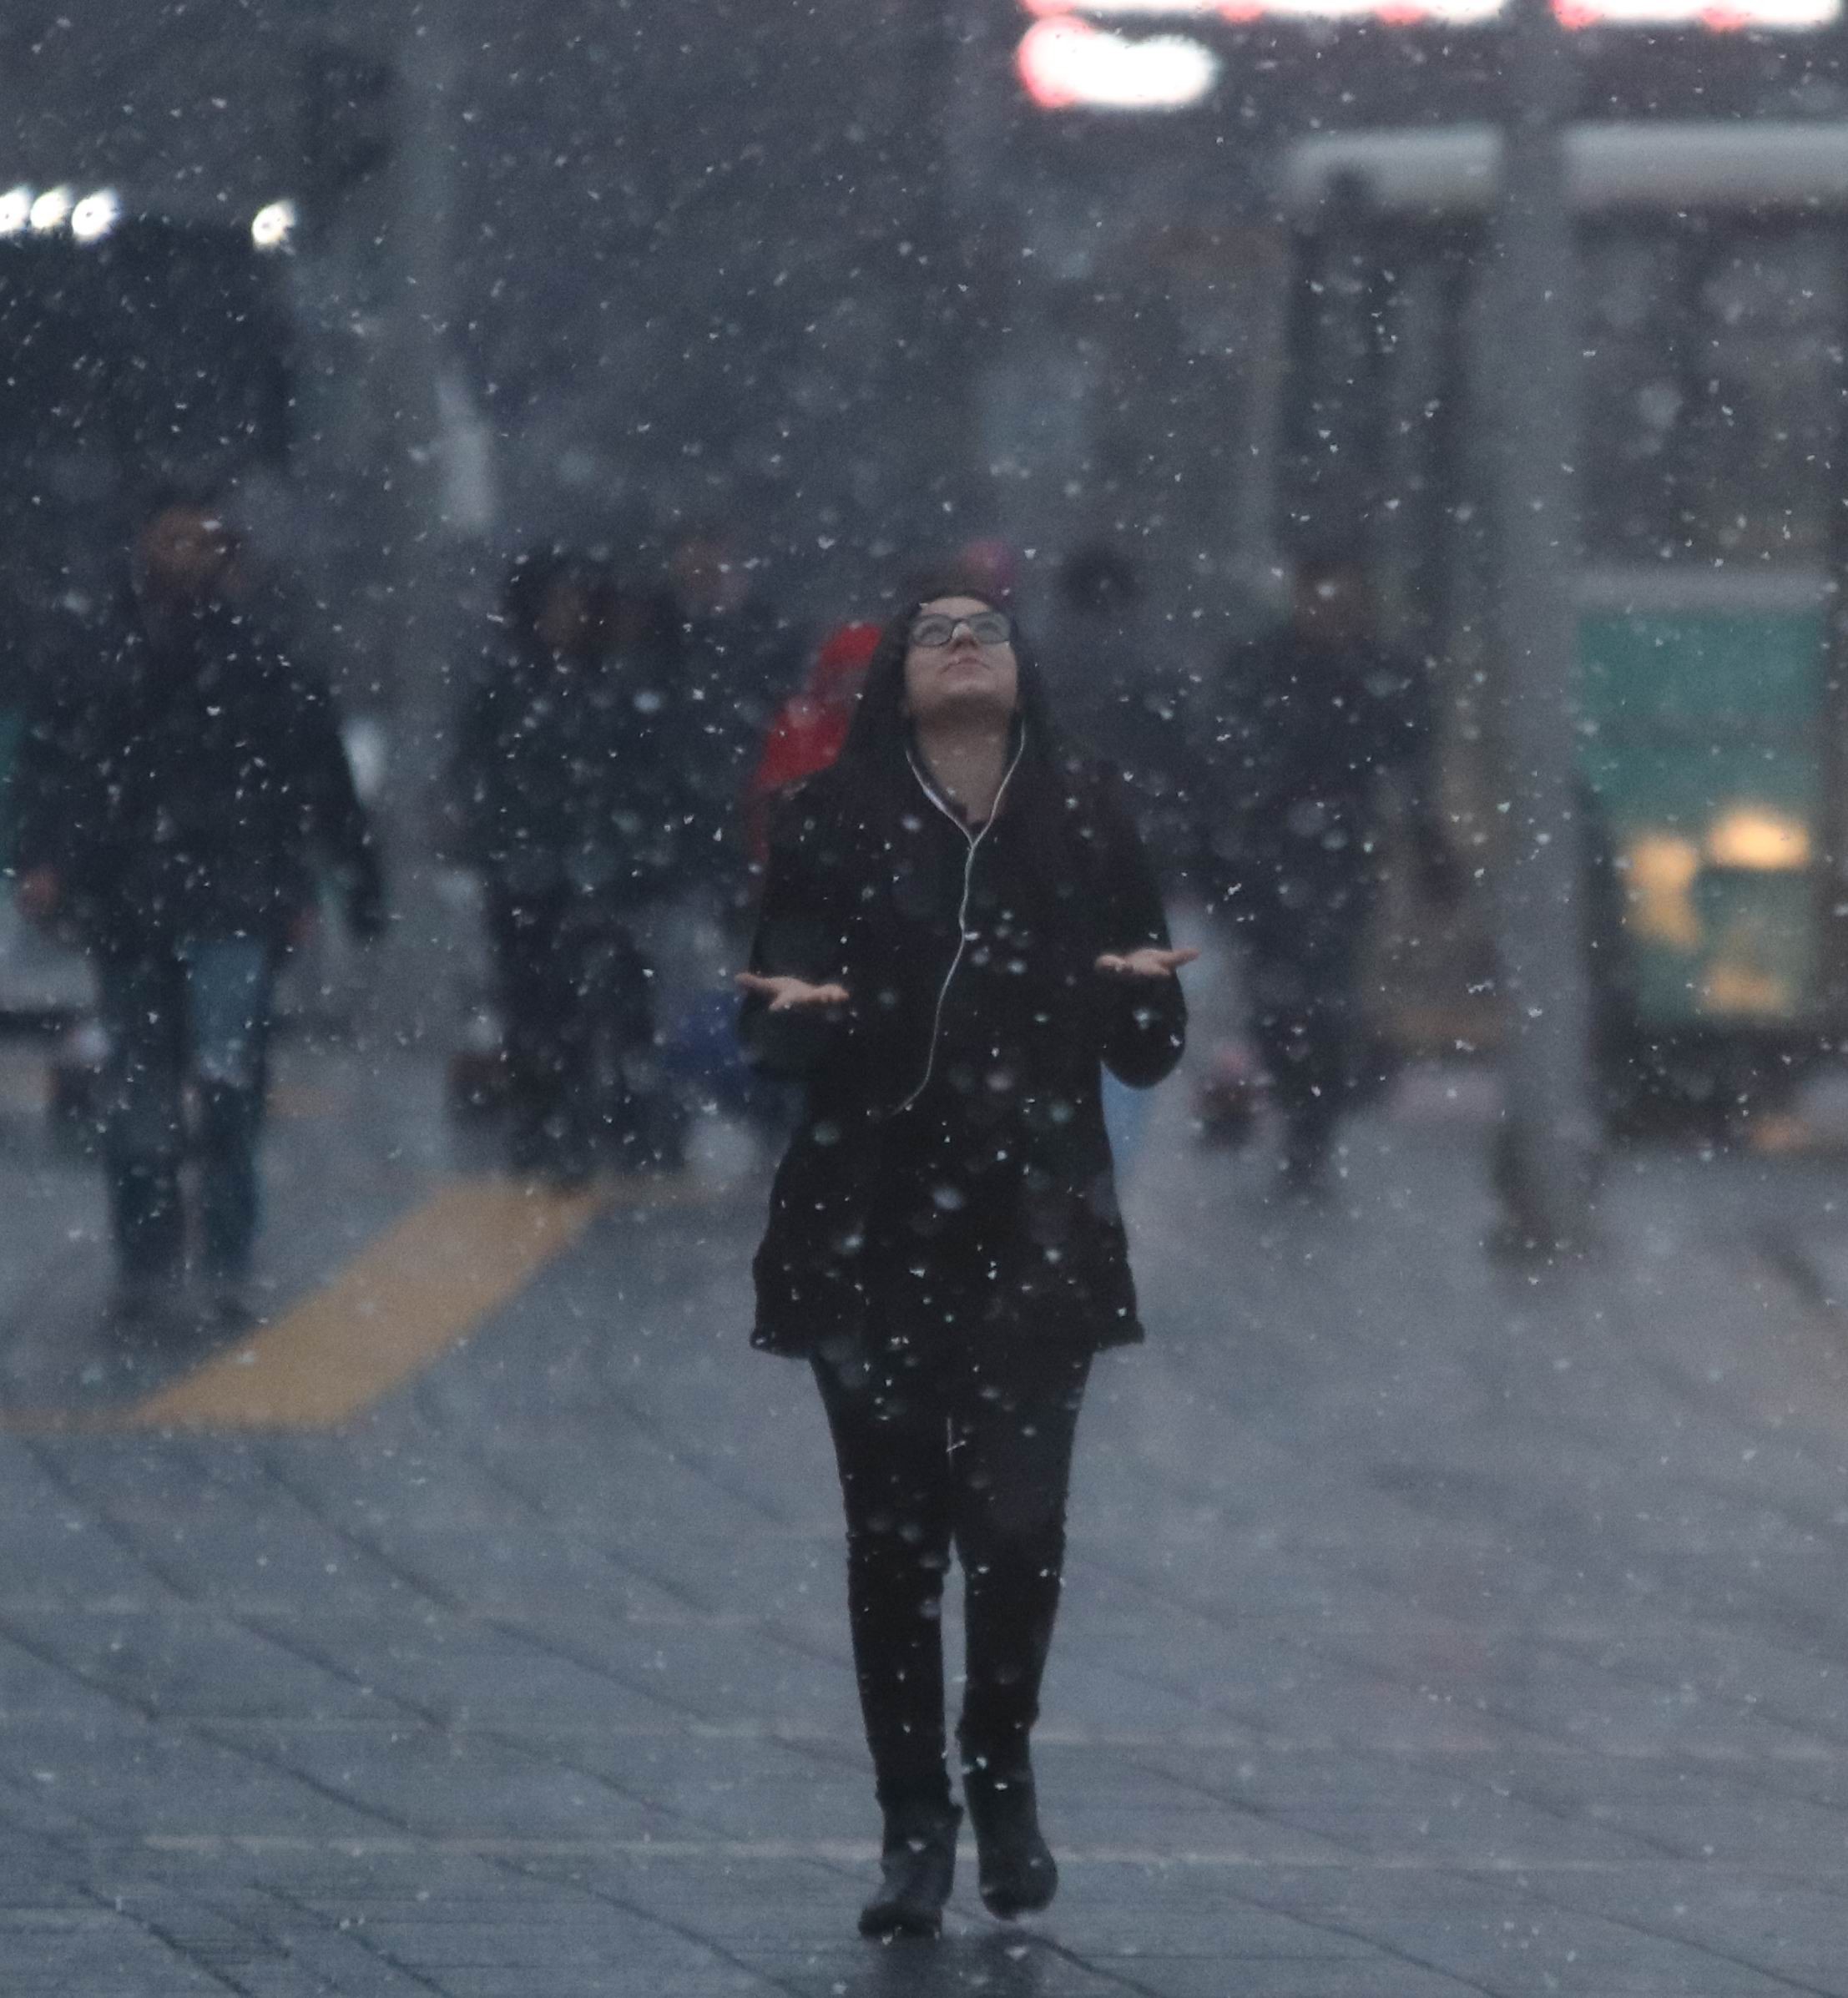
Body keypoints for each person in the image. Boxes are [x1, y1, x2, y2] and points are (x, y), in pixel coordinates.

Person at [737, 589, 1194, 1939]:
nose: (957, 639)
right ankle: (909, 1820)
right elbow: (766, 1025)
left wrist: (1137, 987)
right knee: (892, 1540)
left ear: (1020, 670)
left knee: (1014, 1528)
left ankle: (998, 1772)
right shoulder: (828, 819)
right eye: (930, 626)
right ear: (892, 676)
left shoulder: (1085, 813)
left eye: (982, 626)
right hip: (867, 1216)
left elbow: (1146, 1042)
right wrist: (805, 1007)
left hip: (1032, 1224)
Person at [13, 491, 384, 1327]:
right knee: (163, 1088)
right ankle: (164, 1259)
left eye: (198, 540)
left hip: (216, 900)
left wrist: (331, 885)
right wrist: (47, 857)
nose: (184, 554)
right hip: (156, 901)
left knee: (213, 1086)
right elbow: (59, 765)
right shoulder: (121, 653)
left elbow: (309, 781)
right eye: (172, 537)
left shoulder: (249, 661)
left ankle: (213, 1259)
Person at [1194, 553, 1459, 1192]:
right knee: (1275, 996)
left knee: (1321, 996)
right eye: (1321, 597)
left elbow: (1412, 767)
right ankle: (1295, 1109)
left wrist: (1426, 842)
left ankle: (1308, 1126)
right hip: (1271, 857)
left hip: (1335, 857)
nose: (1330, 612)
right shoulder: (1270, 668)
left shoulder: (1376, 673)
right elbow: (1221, 762)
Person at [452, 550, 694, 1183]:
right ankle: (548, 1125)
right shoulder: (509, 687)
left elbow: (650, 777)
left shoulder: (615, 686)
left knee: (616, 1001)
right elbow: (477, 777)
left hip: (606, 874)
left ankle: (611, 1121)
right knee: (535, 1006)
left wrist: (634, 847)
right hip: (532, 876)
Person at [741, 619, 881, 867]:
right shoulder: (799, 727)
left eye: (867, 674)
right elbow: (769, 805)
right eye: (849, 673)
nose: (858, 685)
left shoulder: (899, 727)